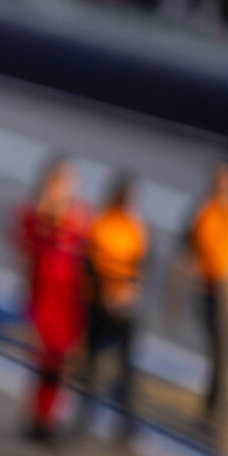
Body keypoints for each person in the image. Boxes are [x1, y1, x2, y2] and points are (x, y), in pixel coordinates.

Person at [9, 157, 88, 443]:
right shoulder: (33, 212)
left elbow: (87, 251)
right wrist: (46, 216)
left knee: (63, 363)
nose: (66, 187)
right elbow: (23, 245)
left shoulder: (79, 215)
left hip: (70, 301)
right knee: (44, 362)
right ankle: (38, 418)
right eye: (61, 181)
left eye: (70, 181)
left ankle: (51, 418)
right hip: (44, 297)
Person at [76, 172, 147, 442]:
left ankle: (126, 422)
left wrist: (129, 293)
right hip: (100, 304)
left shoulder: (135, 227)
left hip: (123, 306)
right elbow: (92, 264)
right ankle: (86, 416)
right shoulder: (103, 224)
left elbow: (139, 265)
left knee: (125, 366)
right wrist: (109, 296)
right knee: (93, 363)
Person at [187, 158, 228, 430]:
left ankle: (215, 408)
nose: (224, 183)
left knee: (225, 353)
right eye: (220, 177)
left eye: (227, 177)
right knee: (221, 353)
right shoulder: (204, 212)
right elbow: (189, 253)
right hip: (210, 290)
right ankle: (212, 412)